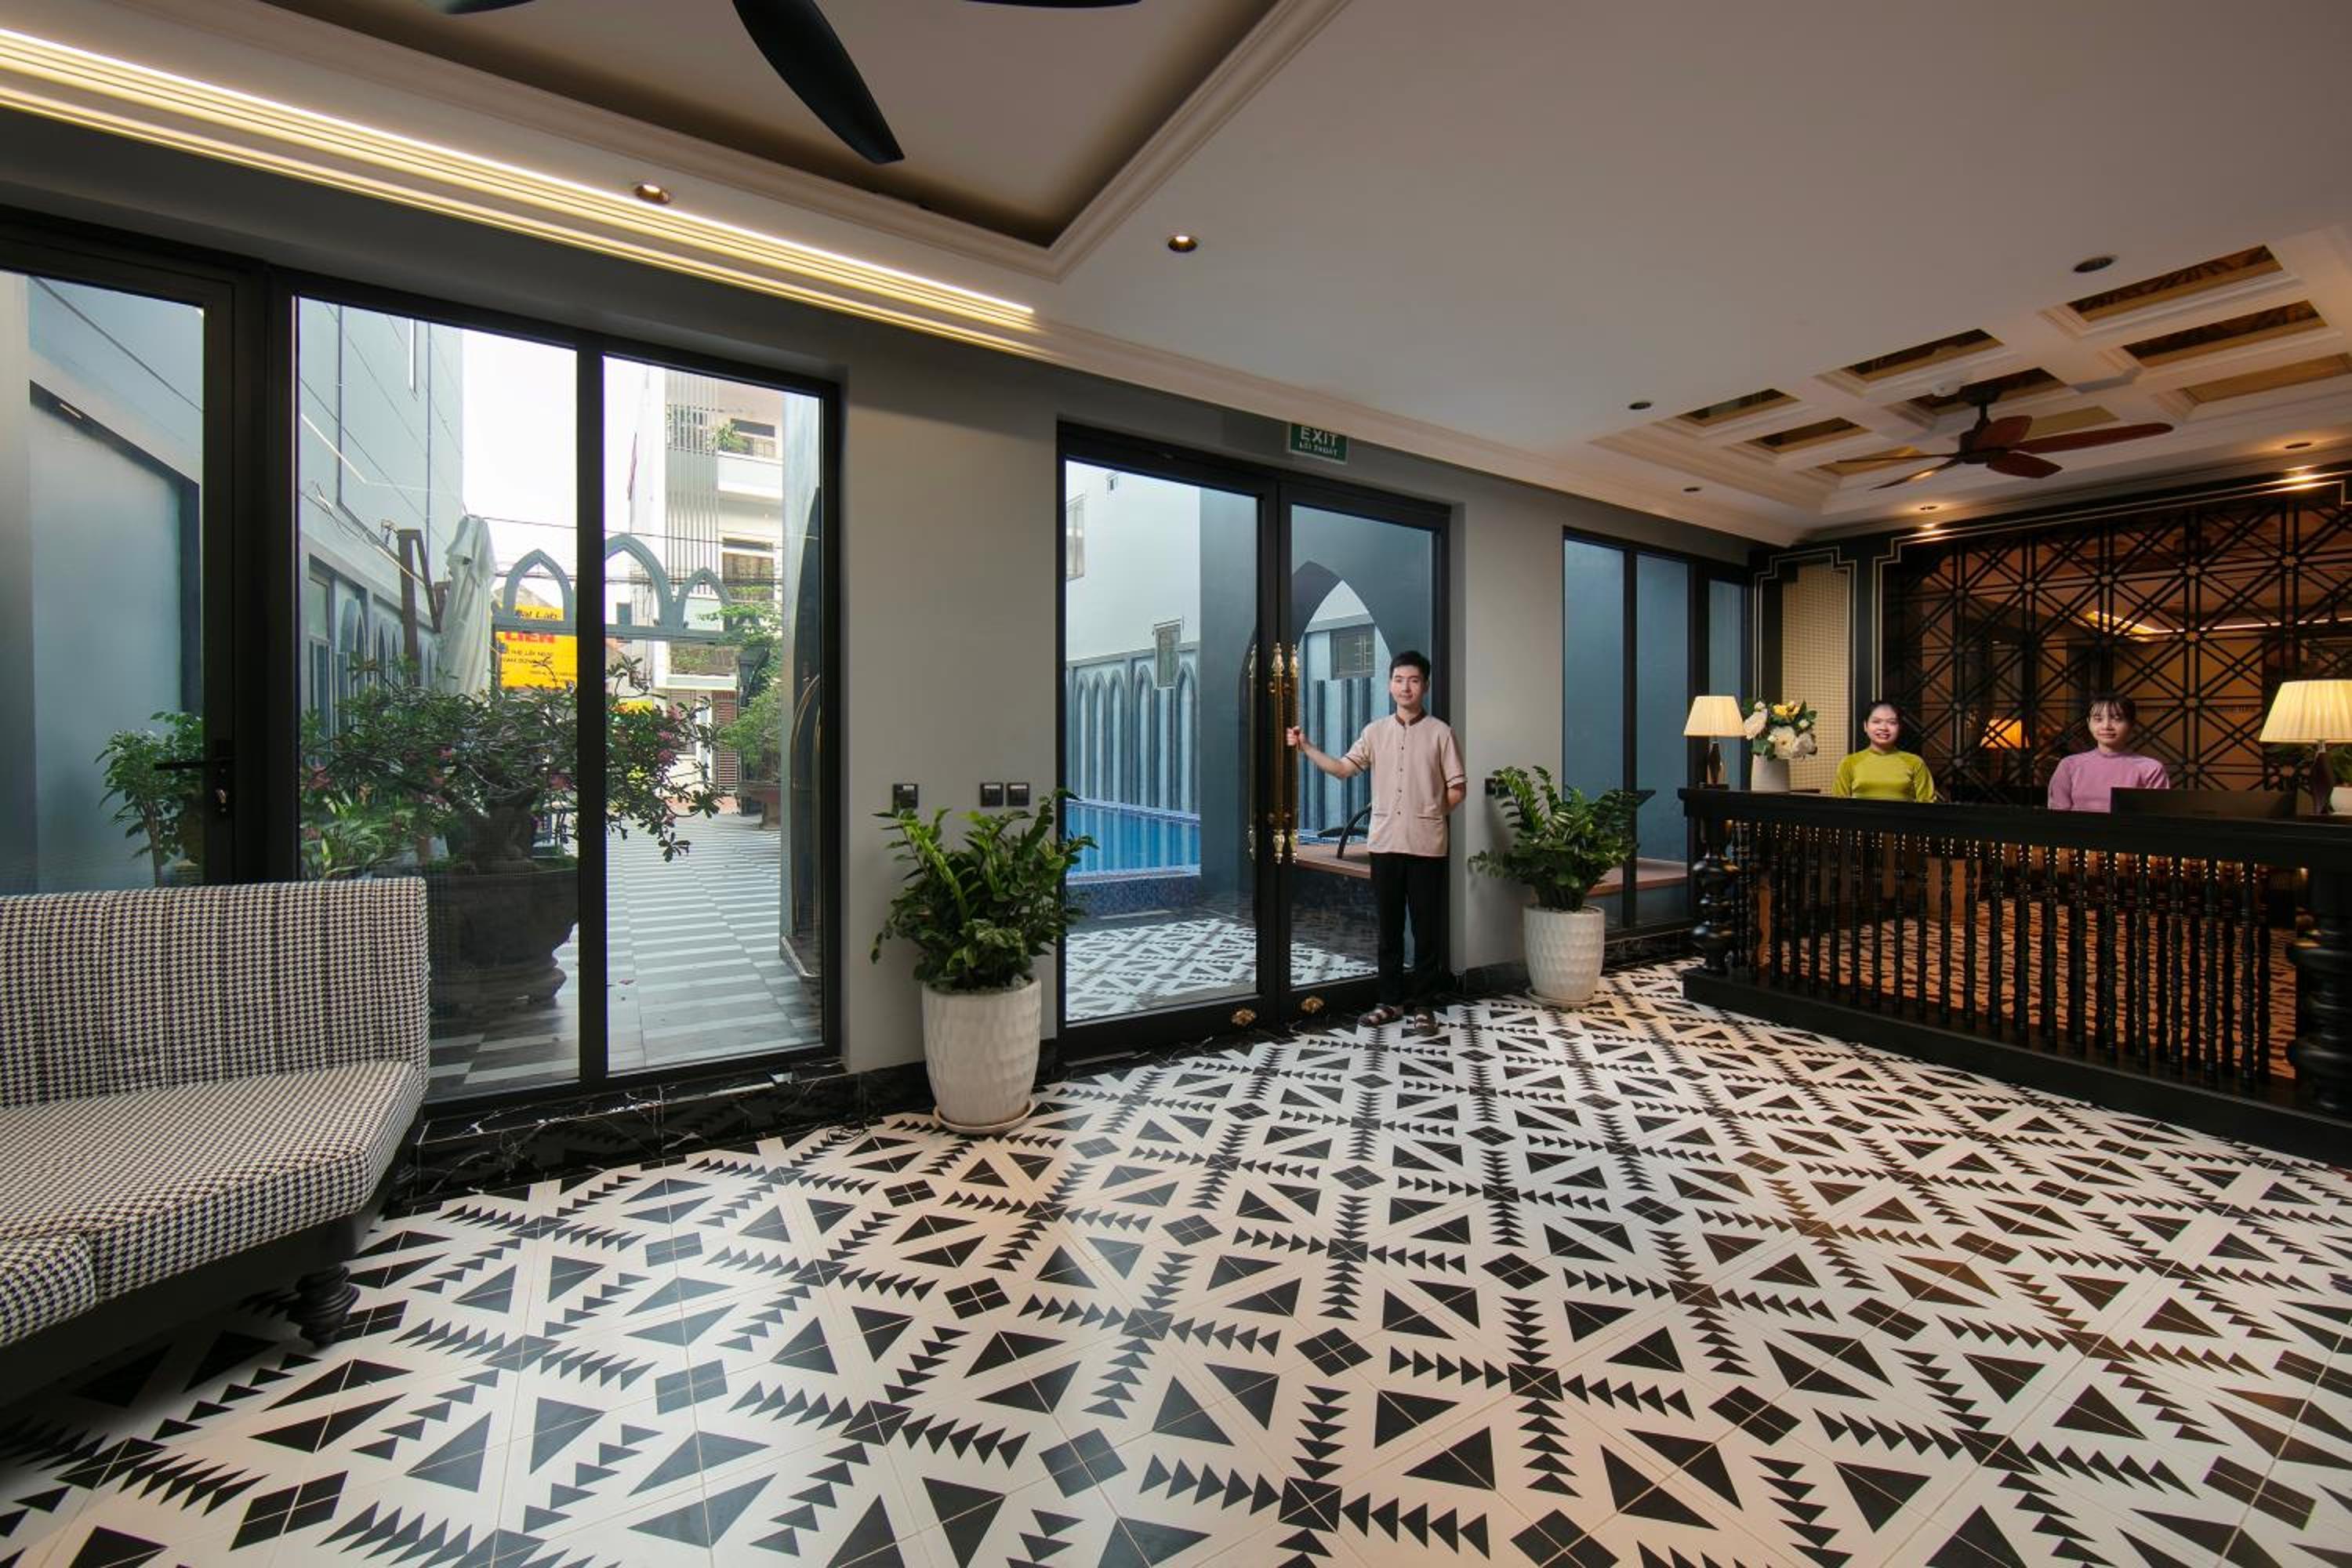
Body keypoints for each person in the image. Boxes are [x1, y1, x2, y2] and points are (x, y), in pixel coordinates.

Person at [1289, 649, 1465, 1029]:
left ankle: (1424, 1005)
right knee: (1388, 929)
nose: (1406, 687)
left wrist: (1432, 812)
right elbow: (1342, 769)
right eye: (1399, 680)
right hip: (1384, 846)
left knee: (1426, 930)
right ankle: (1390, 1002)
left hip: (1427, 847)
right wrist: (1306, 747)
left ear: (1425, 686)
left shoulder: (1441, 733)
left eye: (1413, 680)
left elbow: (1457, 789)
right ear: (1390, 686)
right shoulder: (1374, 732)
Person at [2048, 691, 2169, 811]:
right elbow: (2058, 815)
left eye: (2117, 719)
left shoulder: (2151, 769)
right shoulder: (2069, 765)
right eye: (2098, 719)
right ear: (2089, 723)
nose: (2106, 726)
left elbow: (2157, 817)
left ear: (2131, 724)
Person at [1832, 699, 1938, 801]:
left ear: (1899, 727)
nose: (1883, 728)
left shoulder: (1915, 763)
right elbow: (1839, 805)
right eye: (1876, 722)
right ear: (1865, 726)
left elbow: (1927, 805)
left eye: (1892, 722)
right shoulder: (1849, 763)